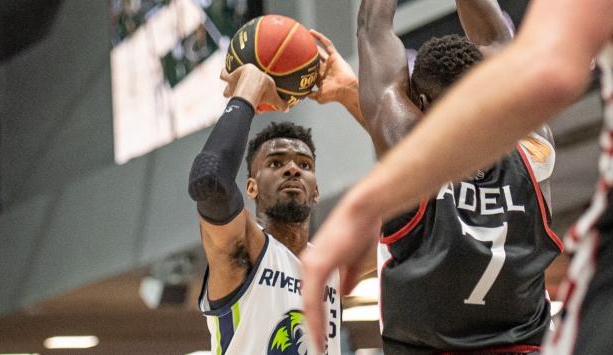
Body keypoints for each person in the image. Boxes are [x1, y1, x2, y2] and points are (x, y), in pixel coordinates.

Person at [301, 0, 613, 354]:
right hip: (527, 346)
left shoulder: (405, 148)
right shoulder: (534, 146)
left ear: (418, 102)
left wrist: (360, 204)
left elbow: (373, 28)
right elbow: (498, 41)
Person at [188, 28, 370, 352]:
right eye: (275, 163)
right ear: (251, 187)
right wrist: (248, 88)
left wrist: (350, 91)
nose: (292, 168)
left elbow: (428, 198)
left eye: (304, 164)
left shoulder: (331, 266)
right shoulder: (245, 250)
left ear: (316, 191)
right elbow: (209, 180)